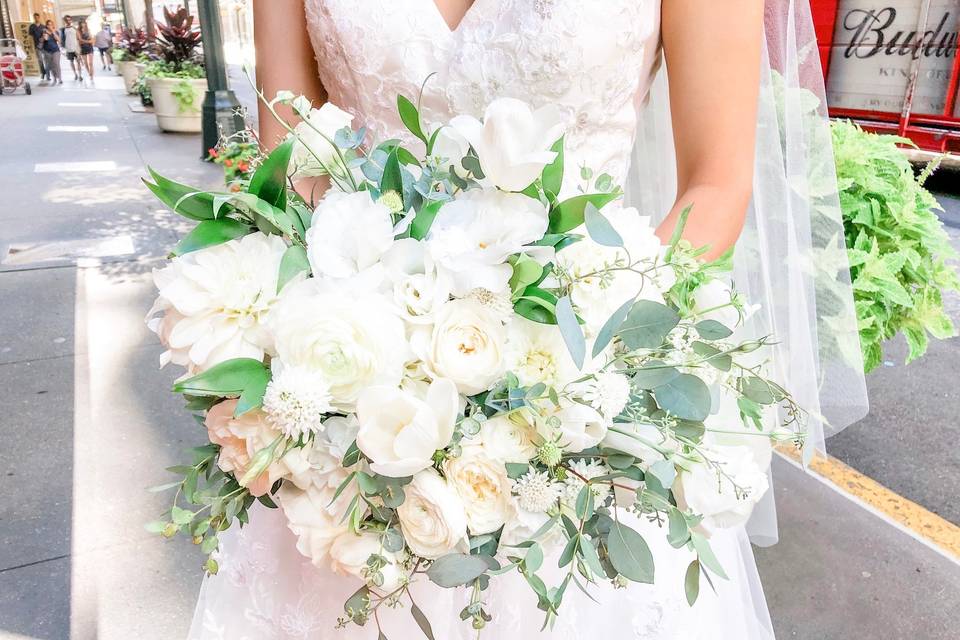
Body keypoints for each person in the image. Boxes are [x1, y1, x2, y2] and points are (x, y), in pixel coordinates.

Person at [186, 1, 867, 638]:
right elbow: (293, 168)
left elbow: (716, 182)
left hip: (577, 408)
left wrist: (585, 366)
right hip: (359, 415)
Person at [39, 20, 61, 85]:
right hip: (47, 51)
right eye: (48, 24)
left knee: (56, 64)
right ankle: (54, 78)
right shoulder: (43, 31)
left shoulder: (56, 31)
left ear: (52, 25)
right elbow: (41, 41)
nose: (49, 26)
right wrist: (43, 37)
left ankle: (59, 78)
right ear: (46, 25)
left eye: (51, 24)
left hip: (55, 50)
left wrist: (53, 32)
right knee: (51, 66)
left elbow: (59, 40)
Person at [60, 15, 81, 81]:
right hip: (68, 48)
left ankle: (80, 75)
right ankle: (75, 74)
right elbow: (62, 39)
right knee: (71, 62)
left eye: (69, 20)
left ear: (71, 20)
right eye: (66, 20)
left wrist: (79, 47)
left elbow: (79, 38)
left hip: (76, 48)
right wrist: (63, 48)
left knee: (78, 62)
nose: (68, 21)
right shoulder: (63, 29)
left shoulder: (74, 28)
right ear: (65, 21)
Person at [28, 13, 47, 81]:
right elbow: (30, 37)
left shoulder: (43, 26)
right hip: (37, 46)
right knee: (40, 60)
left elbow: (46, 35)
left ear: (39, 17)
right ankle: (43, 72)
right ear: (34, 18)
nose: (36, 19)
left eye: (37, 17)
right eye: (35, 17)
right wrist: (31, 46)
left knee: (46, 59)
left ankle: (48, 73)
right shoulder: (32, 26)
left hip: (45, 45)